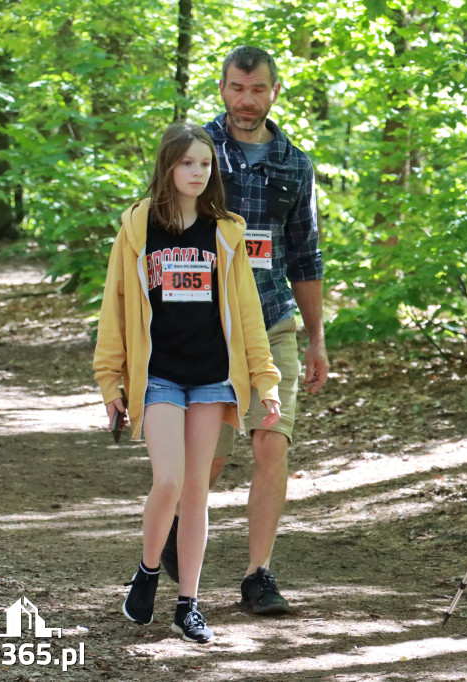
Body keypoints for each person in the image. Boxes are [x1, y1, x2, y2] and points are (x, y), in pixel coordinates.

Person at [93, 122, 282, 643]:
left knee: (197, 492)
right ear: (168, 167)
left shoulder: (226, 232)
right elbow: (116, 309)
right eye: (187, 163)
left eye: (205, 164)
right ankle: (149, 570)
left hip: (213, 379)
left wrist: (266, 380)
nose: (198, 172)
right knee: (170, 481)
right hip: (158, 377)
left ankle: (188, 603)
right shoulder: (137, 227)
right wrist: (111, 384)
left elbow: (247, 314)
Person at [160, 45, 328, 616]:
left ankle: (259, 575)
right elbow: (159, 237)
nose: (246, 100)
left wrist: (316, 338)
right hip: (207, 328)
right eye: (237, 88)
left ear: (274, 92)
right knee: (204, 460)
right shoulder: (196, 153)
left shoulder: (294, 164)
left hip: (273, 322)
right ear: (223, 89)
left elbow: (304, 255)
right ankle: (181, 531)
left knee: (271, 444)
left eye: (257, 89)